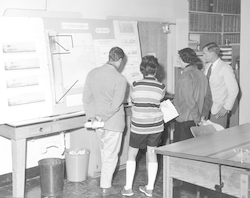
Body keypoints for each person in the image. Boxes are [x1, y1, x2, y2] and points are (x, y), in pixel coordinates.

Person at [82, 47, 128, 196]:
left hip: (97, 124)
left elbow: (86, 98)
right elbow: (115, 105)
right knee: (110, 155)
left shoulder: (92, 73)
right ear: (120, 60)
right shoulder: (120, 79)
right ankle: (106, 186)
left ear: (109, 57)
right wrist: (103, 117)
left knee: (104, 153)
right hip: (113, 123)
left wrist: (92, 117)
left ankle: (105, 182)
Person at [121, 55, 166, 197]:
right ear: (156, 70)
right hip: (156, 126)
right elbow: (159, 100)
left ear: (142, 70)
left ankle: (128, 188)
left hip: (139, 125)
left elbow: (134, 100)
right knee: (152, 154)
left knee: (132, 154)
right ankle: (150, 188)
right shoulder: (161, 86)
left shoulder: (135, 85)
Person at [173, 47, 212, 142]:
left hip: (185, 119)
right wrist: (202, 116)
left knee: (180, 152)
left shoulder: (185, 77)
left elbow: (190, 101)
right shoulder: (202, 75)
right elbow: (208, 98)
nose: (178, 61)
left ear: (184, 60)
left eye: (179, 59)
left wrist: (197, 119)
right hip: (198, 118)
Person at [202, 42, 239, 128]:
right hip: (206, 109)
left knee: (217, 138)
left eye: (205, 54)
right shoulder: (207, 66)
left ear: (212, 53)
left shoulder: (225, 68)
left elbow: (234, 89)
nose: (203, 56)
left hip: (218, 110)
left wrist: (226, 107)